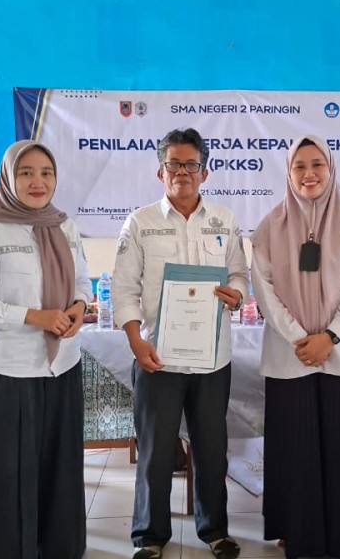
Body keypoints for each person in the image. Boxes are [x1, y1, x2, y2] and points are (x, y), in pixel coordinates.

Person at [0, 140, 93, 559]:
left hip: (62, 365)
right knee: (9, 473)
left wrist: (79, 306)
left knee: (59, 467)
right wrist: (34, 317)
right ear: (9, 179)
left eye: (46, 173)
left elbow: (82, 281)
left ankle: (60, 547)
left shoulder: (63, 226)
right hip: (7, 371)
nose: (37, 181)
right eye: (26, 172)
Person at [110, 127, 248, 559]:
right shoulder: (140, 222)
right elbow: (123, 288)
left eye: (191, 164)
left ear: (204, 172)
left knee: (211, 449)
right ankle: (150, 536)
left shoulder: (224, 220)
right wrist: (136, 342)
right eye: (174, 164)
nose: (182, 172)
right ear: (161, 172)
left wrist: (237, 294)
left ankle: (215, 531)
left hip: (212, 359)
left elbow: (239, 274)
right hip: (158, 358)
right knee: (155, 451)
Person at [250, 135, 340, 559]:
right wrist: (299, 338)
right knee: (296, 446)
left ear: (331, 168)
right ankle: (298, 529)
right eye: (299, 166)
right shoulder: (270, 227)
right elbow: (264, 289)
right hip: (290, 355)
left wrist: (330, 337)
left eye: (317, 165)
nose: (308, 174)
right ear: (288, 173)